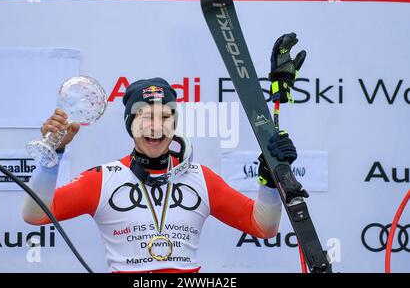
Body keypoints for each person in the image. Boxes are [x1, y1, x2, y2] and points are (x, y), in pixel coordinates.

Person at [22, 33, 304, 273]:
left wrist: (269, 181)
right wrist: (53, 156)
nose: (155, 127)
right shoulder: (102, 179)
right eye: (144, 117)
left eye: (165, 116)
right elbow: (35, 216)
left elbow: (263, 228)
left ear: (175, 123)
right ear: (130, 125)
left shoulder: (201, 179)